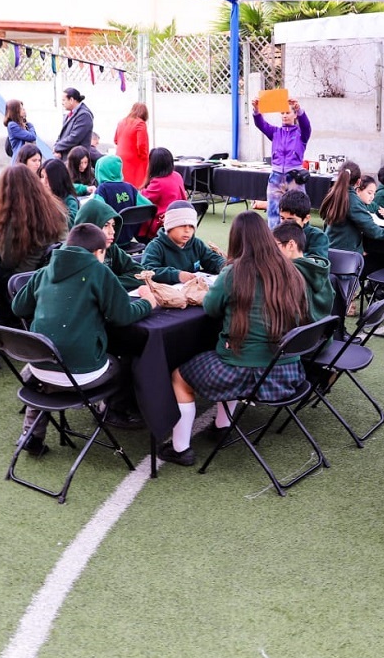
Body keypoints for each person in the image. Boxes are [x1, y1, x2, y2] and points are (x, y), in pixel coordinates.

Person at [167, 212, 311, 466]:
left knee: (181, 376)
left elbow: (211, 308)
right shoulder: (292, 270)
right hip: (288, 372)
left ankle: (181, 449)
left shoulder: (234, 272)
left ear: (236, 239)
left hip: (247, 372)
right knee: (232, 353)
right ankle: (222, 427)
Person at [11, 223, 158, 457]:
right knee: (124, 360)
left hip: (39, 366)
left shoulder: (44, 272)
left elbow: (18, 308)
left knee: (47, 374)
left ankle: (31, 434)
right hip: (82, 375)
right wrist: (148, 302)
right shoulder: (99, 272)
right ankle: (109, 411)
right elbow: (123, 316)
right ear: (99, 252)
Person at [0, 165, 68, 275]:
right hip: (52, 273)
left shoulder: (14, 222)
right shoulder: (56, 209)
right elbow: (62, 241)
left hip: (21, 280)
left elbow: (7, 262)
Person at [252, 96, 311, 228]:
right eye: (282, 113)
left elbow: (306, 125)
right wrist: (256, 110)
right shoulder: (275, 132)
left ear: (295, 115)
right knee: (273, 211)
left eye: (288, 112)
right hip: (276, 177)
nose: (284, 116)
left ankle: (300, 239)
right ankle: (273, 242)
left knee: (299, 211)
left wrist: (299, 109)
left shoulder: (302, 133)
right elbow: (260, 124)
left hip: (294, 177)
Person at [140, 200, 225, 284]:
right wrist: (177, 275)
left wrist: (224, 266)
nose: (187, 230)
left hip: (192, 290)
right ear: (169, 227)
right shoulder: (156, 247)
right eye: (182, 226)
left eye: (191, 226)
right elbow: (147, 271)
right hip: (167, 293)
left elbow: (211, 259)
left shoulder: (196, 244)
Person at [321, 163, 384, 253]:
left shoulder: (334, 194)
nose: (372, 196)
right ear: (358, 182)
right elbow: (371, 229)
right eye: (369, 193)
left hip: (330, 248)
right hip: (344, 254)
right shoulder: (351, 200)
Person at [74, 195, 147, 290]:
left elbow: (140, 274)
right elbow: (86, 287)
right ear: (90, 226)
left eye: (113, 225)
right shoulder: (73, 254)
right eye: (106, 225)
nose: (112, 231)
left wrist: (109, 283)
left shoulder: (110, 247)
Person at [273, 222, 334, 324]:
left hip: (300, 336)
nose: (272, 251)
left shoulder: (290, 274)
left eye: (275, 245)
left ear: (291, 245)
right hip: (320, 332)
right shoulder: (318, 267)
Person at [138, 147, 188, 240]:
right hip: (179, 221)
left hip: (160, 226)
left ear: (153, 164)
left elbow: (141, 199)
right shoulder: (177, 175)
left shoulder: (158, 183)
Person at [277, 189, 329, 261]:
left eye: (291, 220)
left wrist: (293, 254)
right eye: (282, 218)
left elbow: (319, 264)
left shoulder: (317, 237)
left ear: (306, 218)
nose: (285, 223)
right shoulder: (276, 235)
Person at [114, 102, 150, 186]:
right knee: (137, 185)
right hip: (135, 159)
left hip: (120, 158)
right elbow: (141, 144)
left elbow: (116, 140)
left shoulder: (121, 122)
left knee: (123, 183)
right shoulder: (140, 123)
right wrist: (145, 158)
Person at [53, 88, 94, 159]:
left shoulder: (84, 115)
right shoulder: (70, 114)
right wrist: (56, 147)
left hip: (77, 159)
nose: (62, 103)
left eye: (64, 100)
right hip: (67, 158)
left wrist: (57, 147)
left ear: (71, 100)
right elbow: (62, 135)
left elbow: (75, 137)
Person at [39, 157, 79, 228]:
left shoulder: (69, 200)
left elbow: (70, 223)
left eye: (48, 178)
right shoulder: (39, 197)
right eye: (42, 177)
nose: (44, 182)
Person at [3, 99, 36, 165]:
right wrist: (30, 126)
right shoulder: (12, 125)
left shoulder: (22, 125)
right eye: (21, 108)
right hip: (19, 161)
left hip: (27, 158)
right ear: (15, 111)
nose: (24, 110)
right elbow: (32, 137)